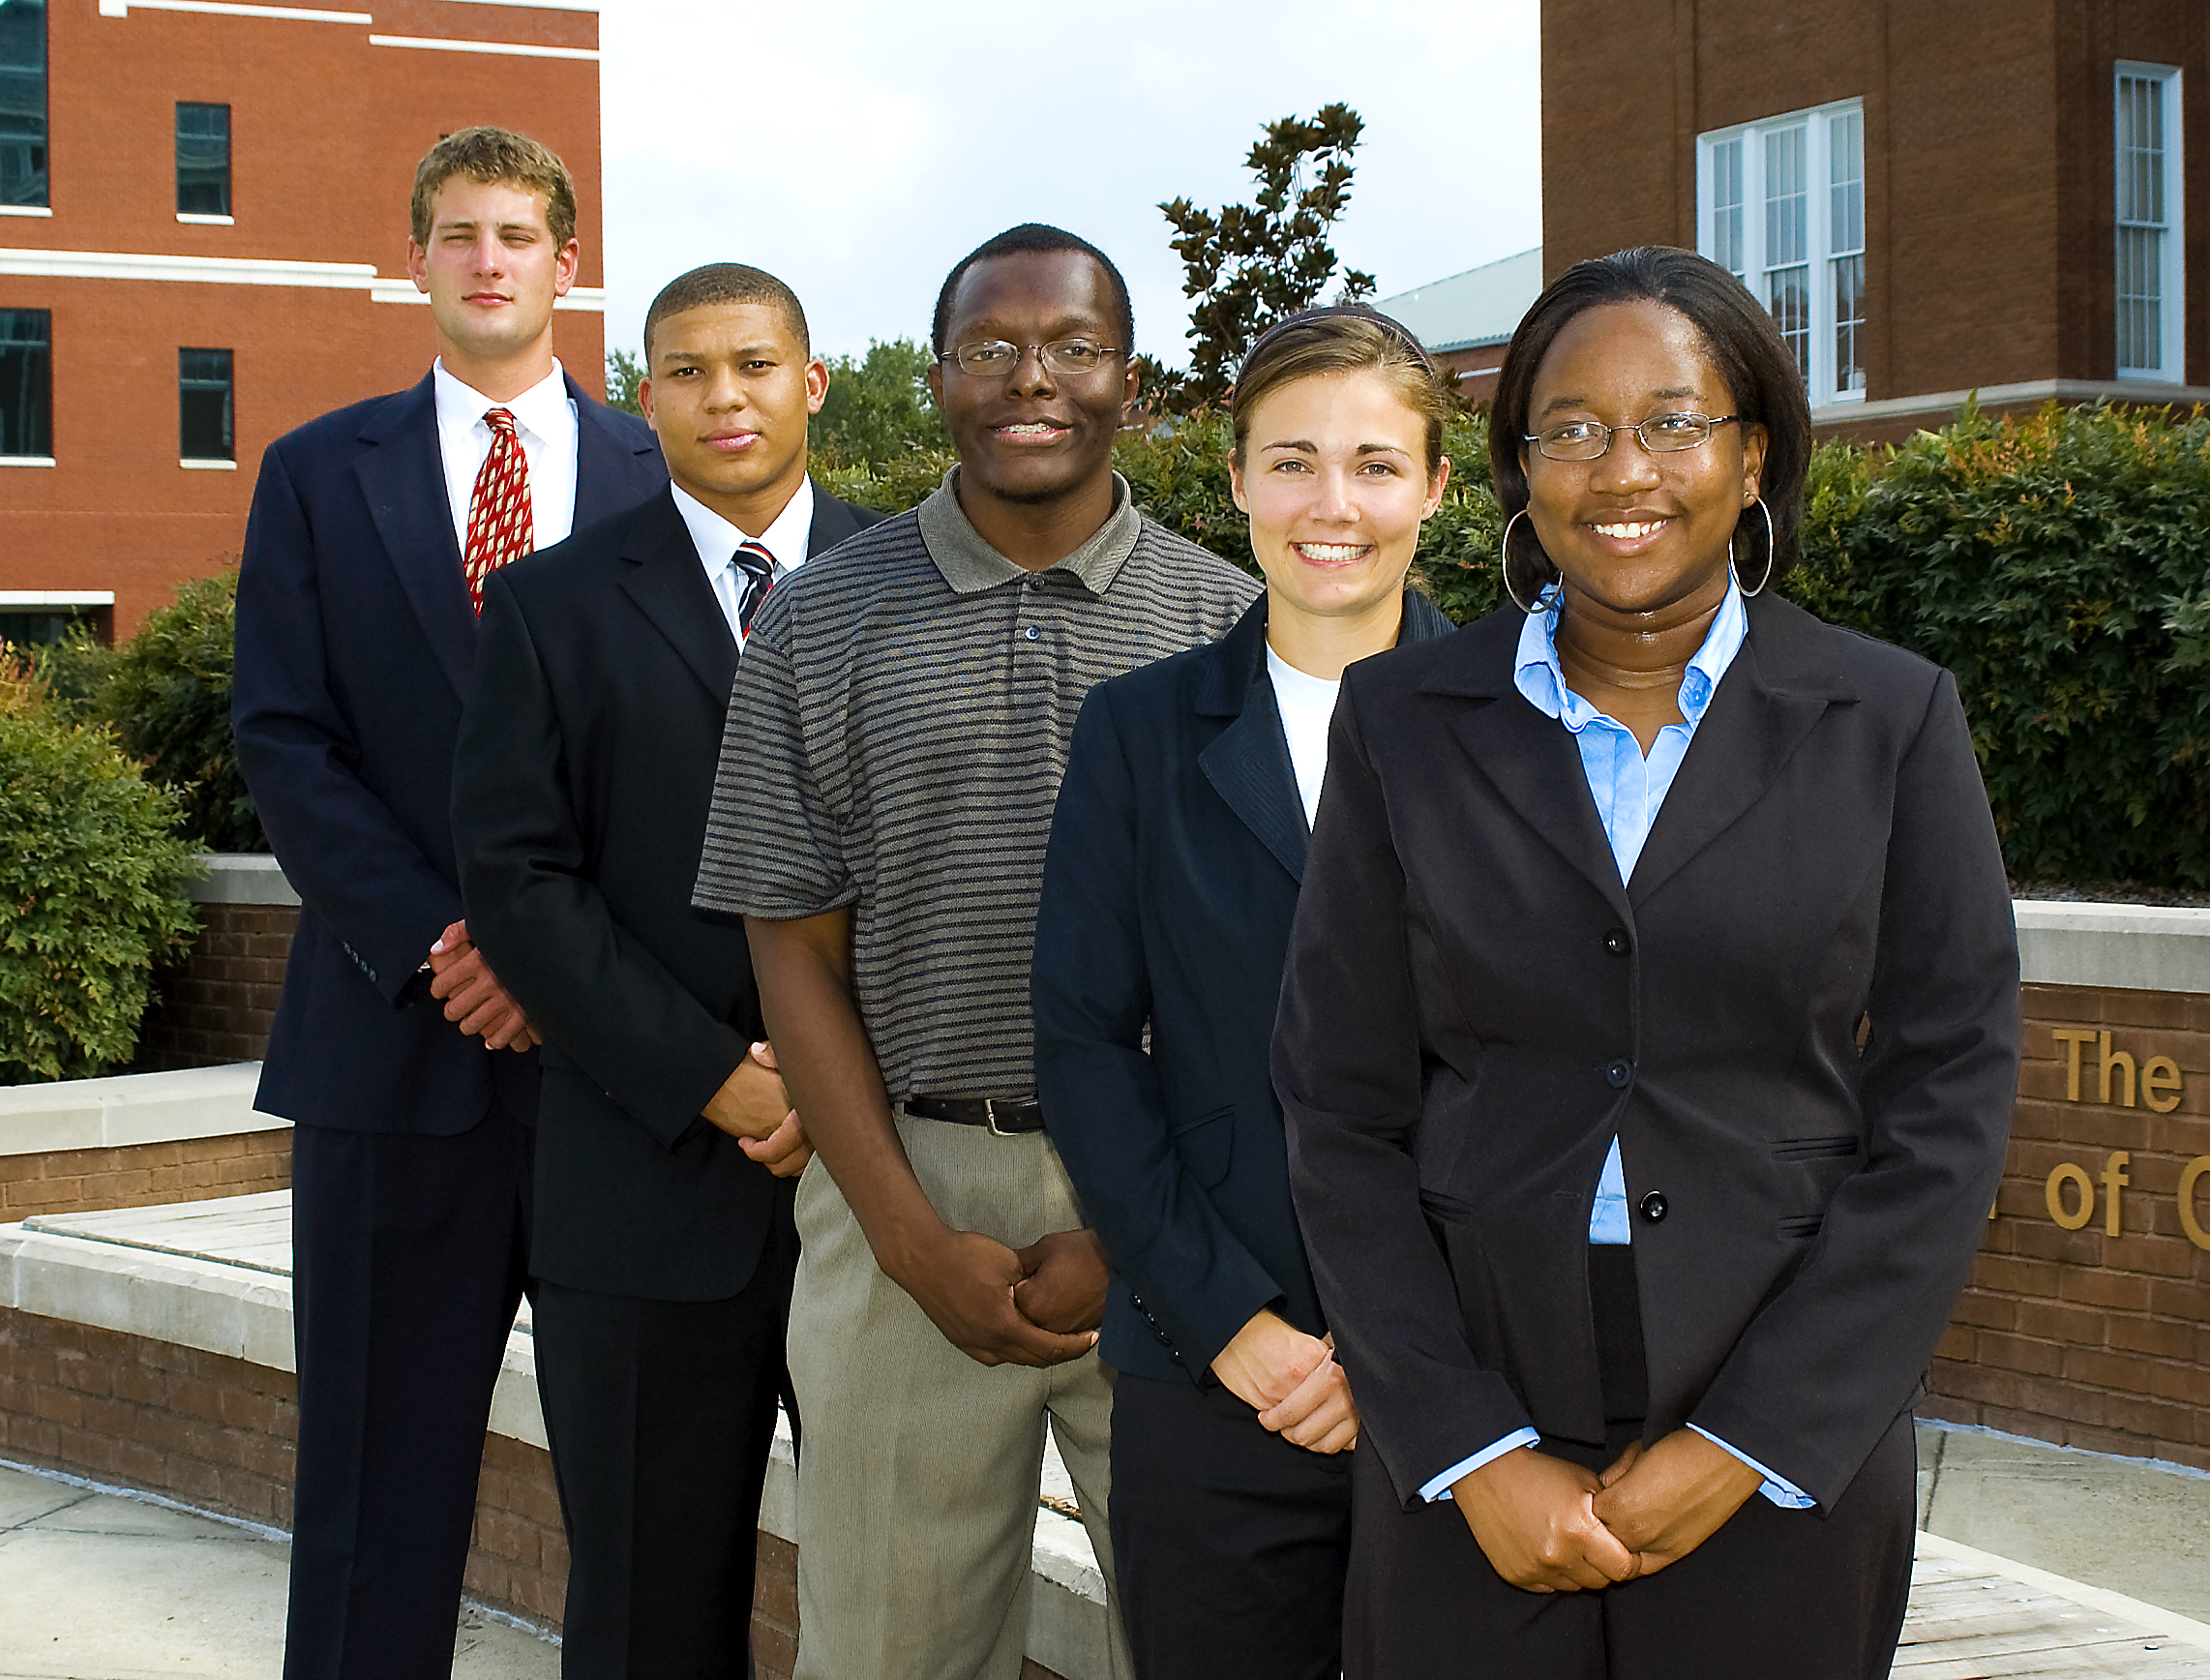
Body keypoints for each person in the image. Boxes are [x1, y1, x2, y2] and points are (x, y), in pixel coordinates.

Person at [1270, 246, 2021, 1679]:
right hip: (1474, 1385)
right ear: (1520, 471)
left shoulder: (1888, 719)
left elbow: (1950, 1104)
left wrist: (1752, 1439)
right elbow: (1340, 1107)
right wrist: (1468, 1443)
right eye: (1573, 429)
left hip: (1783, 1401)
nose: (1624, 469)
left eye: (1673, 422)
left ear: (1751, 458)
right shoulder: (1404, 723)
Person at [692, 223, 1258, 1680]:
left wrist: (1133, 1226)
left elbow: (1281, 970)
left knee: (1218, 1645)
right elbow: (792, 950)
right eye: (991, 346)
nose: (1034, 379)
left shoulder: (1235, 622)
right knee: (886, 1658)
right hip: (904, 1185)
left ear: (1133, 380)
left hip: (1188, 1205)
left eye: (1074, 346)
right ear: (934, 375)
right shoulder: (820, 617)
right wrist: (903, 1236)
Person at [230, 127, 665, 1679]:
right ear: (413, 260)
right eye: (458, 232)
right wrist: (444, 944)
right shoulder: (312, 474)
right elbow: (284, 740)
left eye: (519, 233)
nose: (489, 259)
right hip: (388, 1056)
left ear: (567, 262)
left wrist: (567, 964)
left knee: (649, 1504)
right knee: (370, 1490)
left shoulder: (656, 475)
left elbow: (702, 752)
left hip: (621, 1075)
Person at [450, 262, 879, 1676]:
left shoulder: (922, 584)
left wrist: (828, 1087)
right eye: (687, 371)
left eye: (755, 364)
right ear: (646, 400)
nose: (725, 396)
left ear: (811, 383)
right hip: (640, 1192)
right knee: (644, 1613)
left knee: (905, 1601)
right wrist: (718, 1081)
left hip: (890, 1190)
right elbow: (520, 880)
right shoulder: (552, 605)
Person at [1030, 305, 1456, 1679]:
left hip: (1474, 1381)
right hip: (1216, 1374)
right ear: (1234, 479)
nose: (1333, 505)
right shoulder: (1140, 733)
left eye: (1377, 464)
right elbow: (1086, 1045)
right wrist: (1230, 1327)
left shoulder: (1529, 729)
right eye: (1292, 461)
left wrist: (1413, 1346)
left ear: (1437, 487)